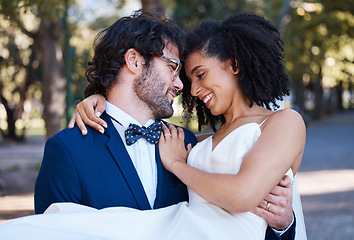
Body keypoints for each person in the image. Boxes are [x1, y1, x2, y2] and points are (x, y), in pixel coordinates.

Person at [0, 11, 299, 240]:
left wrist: (284, 224)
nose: (184, 86)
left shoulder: (184, 147)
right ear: (134, 61)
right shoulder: (68, 150)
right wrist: (95, 98)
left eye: (195, 74)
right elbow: (53, 231)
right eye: (173, 68)